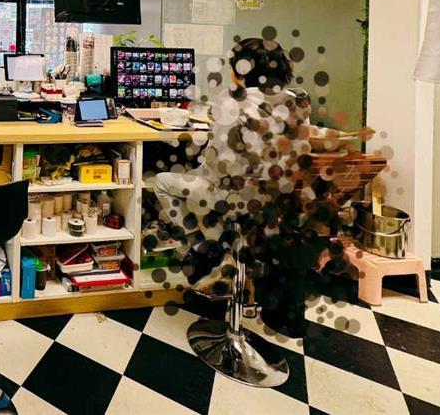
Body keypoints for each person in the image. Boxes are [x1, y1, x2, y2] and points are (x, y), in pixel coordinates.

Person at [153, 37, 369, 336]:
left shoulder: (231, 103)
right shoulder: (296, 102)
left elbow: (220, 167)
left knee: (162, 182)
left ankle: (207, 247)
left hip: (233, 197)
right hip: (279, 204)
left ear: (239, 71)